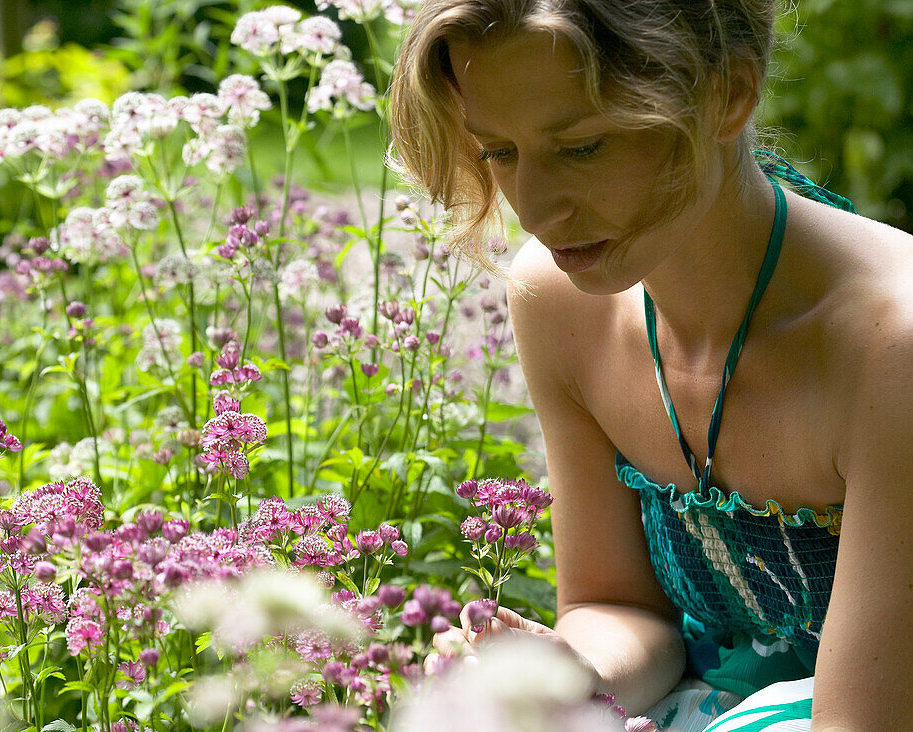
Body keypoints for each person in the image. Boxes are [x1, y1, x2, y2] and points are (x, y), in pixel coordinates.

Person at [388, 2, 912, 730]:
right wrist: (571, 676)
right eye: (499, 153)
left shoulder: (891, 348)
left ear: (728, 94)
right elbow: (618, 605)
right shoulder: (560, 302)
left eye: (583, 147)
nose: (535, 209)